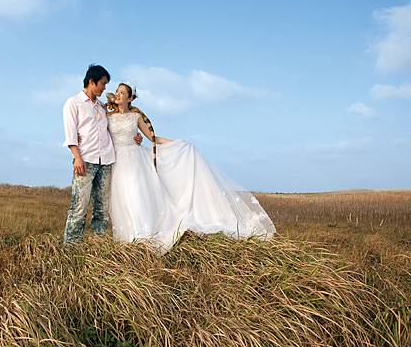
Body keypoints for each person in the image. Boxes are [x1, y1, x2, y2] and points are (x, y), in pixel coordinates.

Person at [106, 82, 276, 253]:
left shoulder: (135, 117)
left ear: (129, 98)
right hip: (118, 160)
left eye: (122, 92)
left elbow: (152, 137)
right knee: (121, 197)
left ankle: (142, 235)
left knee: (136, 194)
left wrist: (179, 144)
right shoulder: (109, 117)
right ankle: (127, 240)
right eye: (117, 92)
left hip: (136, 160)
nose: (118, 94)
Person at [62, 65, 142, 243]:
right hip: (85, 161)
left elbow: (120, 124)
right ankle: (70, 248)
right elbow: (70, 135)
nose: (105, 88)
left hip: (106, 161)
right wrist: (77, 158)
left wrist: (135, 137)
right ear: (92, 82)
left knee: (103, 209)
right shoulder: (73, 103)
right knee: (79, 207)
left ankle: (99, 245)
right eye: (103, 84)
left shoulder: (102, 107)